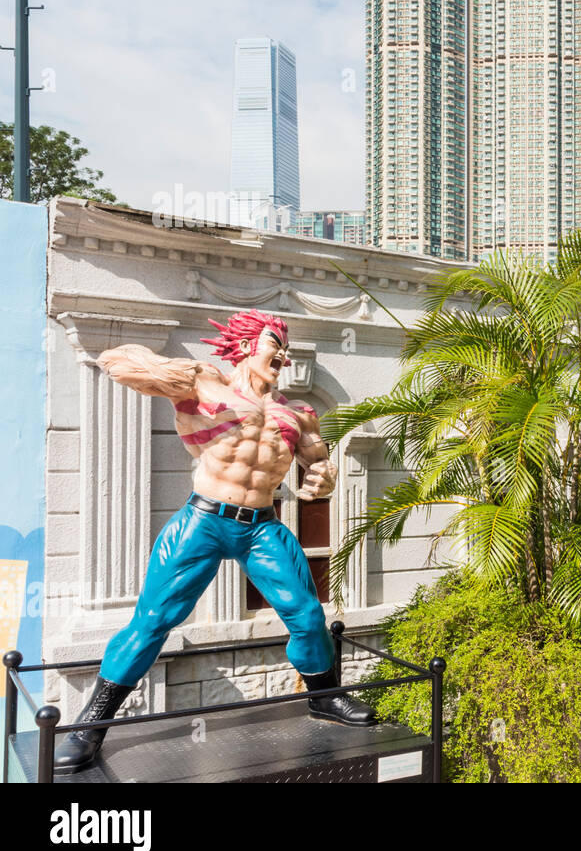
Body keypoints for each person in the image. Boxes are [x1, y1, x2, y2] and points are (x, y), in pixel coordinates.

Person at [54, 309, 375, 775]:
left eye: (286, 347)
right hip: (203, 520)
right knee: (153, 619)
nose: (282, 355)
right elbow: (117, 362)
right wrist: (187, 379)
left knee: (307, 615)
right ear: (246, 346)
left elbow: (319, 467)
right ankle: (91, 725)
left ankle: (324, 697)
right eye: (274, 343)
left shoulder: (298, 414)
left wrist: (320, 482)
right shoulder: (205, 383)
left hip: (262, 526)